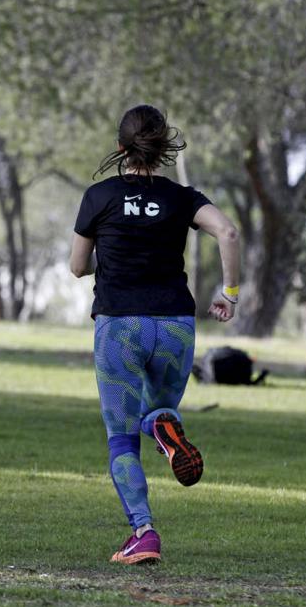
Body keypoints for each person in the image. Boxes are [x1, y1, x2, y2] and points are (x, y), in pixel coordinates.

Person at [69, 104, 240, 566]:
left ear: (121, 147)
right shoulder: (183, 197)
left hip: (120, 326)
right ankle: (162, 427)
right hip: (175, 326)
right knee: (161, 409)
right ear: (164, 147)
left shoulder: (99, 196)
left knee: (121, 439)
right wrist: (230, 293)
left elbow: (77, 265)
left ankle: (143, 533)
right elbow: (227, 231)